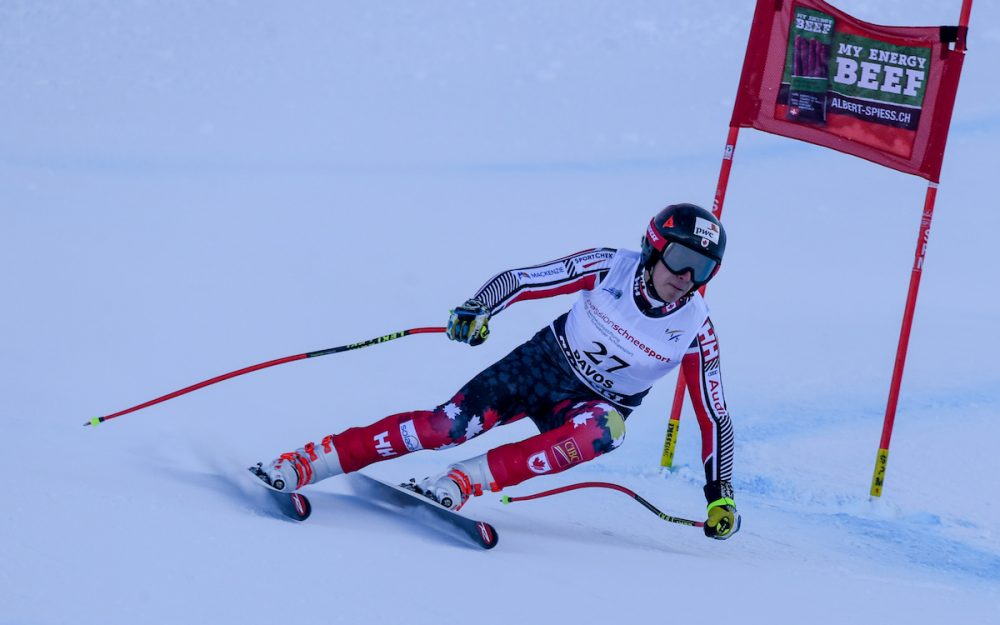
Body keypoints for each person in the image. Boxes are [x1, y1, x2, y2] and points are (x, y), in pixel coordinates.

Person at [254, 203, 740, 540]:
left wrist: (721, 495)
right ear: (655, 248)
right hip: (541, 365)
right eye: (680, 260)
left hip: (595, 404)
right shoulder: (610, 266)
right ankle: (310, 461)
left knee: (606, 431)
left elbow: (714, 416)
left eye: (703, 269)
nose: (687, 278)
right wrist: (479, 307)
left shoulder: (696, 329)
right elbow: (524, 279)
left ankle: (466, 481)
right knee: (445, 427)